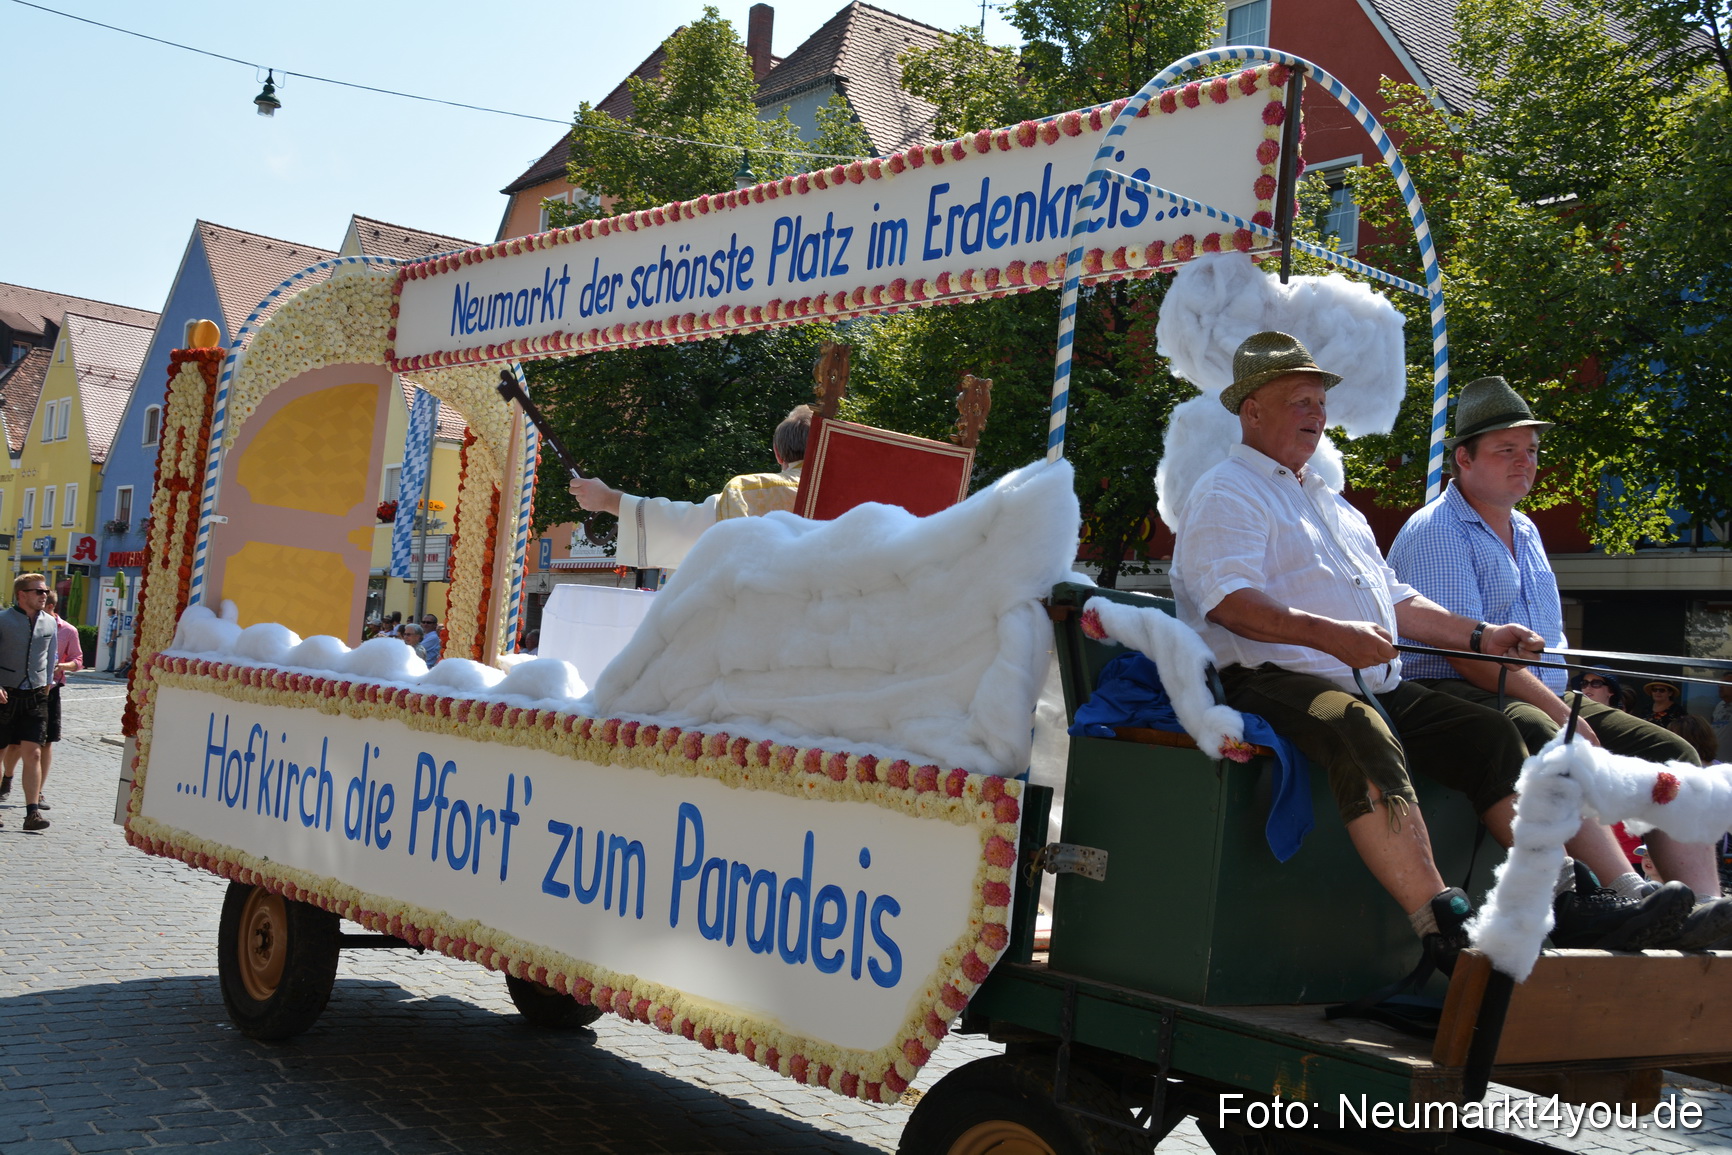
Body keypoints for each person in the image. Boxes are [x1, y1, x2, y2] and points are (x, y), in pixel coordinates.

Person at [1169, 334, 1690, 971]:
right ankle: (1440, 922)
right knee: (1357, 726)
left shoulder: (1328, 502)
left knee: (1490, 734)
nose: (1317, 413)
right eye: (1300, 400)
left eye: (1320, 401)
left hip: (1368, 679)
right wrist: (1331, 635)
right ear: (1252, 410)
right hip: (1264, 677)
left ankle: (1566, 899)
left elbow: (1397, 600)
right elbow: (1229, 603)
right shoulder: (1228, 491)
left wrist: (1480, 636)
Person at [1388, 374, 1730, 947]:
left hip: (1540, 692)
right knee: (1554, 736)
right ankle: (1626, 896)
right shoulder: (1437, 532)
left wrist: (1569, 706)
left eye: (1531, 450)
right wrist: (1566, 713)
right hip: (1461, 691)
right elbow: (1466, 656)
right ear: (1464, 459)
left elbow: (1547, 647)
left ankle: (1702, 910)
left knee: (1673, 751)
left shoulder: (1525, 529)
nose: (1525, 462)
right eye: (1506, 450)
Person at [568, 405, 813, 571]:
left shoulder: (751, 492)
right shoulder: (840, 494)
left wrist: (608, 499)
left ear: (778, 453)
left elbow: (683, 527)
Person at [0, 573, 62, 831]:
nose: (44, 595)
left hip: (35, 695)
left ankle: (32, 813)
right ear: (22, 594)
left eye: (45, 591)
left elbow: (51, 655)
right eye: (38, 591)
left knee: (34, 753)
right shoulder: (3, 619)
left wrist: (47, 683)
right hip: (5, 694)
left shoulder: (49, 622)